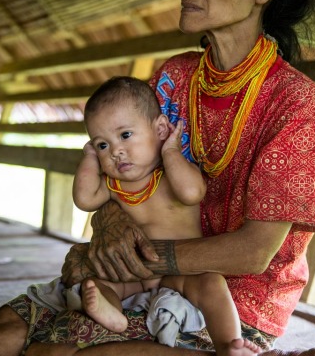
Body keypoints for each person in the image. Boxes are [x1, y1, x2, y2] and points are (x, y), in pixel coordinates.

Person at [0, 0, 315, 355]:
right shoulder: (175, 77)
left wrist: (138, 258)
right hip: (139, 281)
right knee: (4, 332)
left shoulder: (295, 102)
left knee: (53, 351)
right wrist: (110, 226)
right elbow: (121, 173)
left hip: (228, 305)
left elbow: (253, 252)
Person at [69, 75, 260, 355]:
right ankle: (112, 315)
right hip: (132, 274)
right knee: (97, 284)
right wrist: (88, 157)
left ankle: (229, 344)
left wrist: (170, 151)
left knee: (211, 284)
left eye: (124, 135)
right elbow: (84, 199)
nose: (116, 152)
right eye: (102, 145)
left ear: (160, 129)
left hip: (180, 272)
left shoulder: (170, 173)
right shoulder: (112, 186)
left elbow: (193, 192)